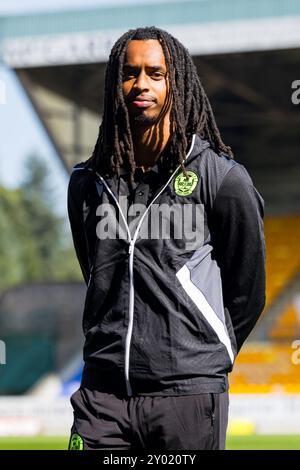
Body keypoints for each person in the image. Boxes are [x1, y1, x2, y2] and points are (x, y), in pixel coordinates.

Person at [67, 26, 266, 451]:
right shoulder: (87, 182)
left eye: (155, 73)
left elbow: (247, 289)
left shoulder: (220, 178)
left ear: (175, 83)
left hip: (187, 396)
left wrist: (207, 355)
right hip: (102, 396)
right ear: (114, 83)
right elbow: (96, 273)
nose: (141, 83)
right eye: (130, 72)